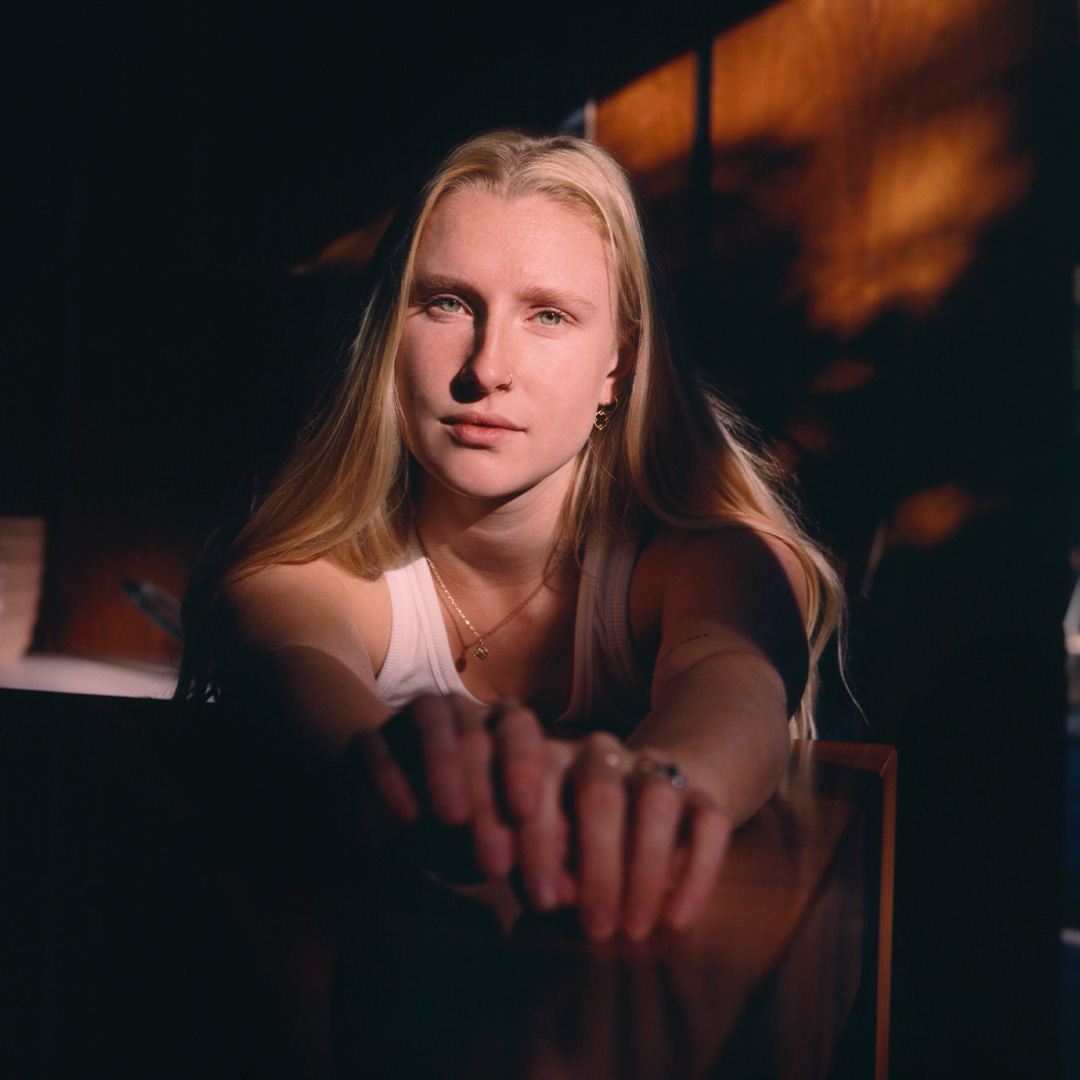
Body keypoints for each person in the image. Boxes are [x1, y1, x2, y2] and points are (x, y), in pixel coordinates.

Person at [177, 129, 844, 943]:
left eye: (549, 315)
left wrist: (650, 790)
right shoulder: (297, 575)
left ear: (618, 367)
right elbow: (299, 674)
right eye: (448, 303)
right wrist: (392, 764)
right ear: (388, 334)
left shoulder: (720, 564)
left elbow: (737, 685)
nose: (486, 368)